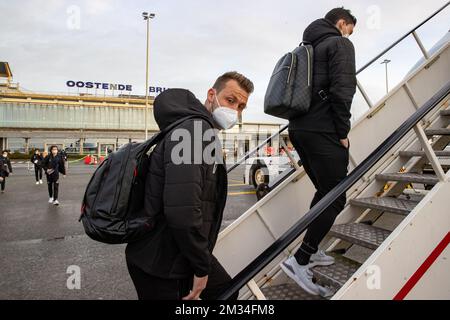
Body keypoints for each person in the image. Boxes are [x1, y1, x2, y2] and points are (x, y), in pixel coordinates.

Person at [125, 72, 254, 300]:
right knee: (226, 293)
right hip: (161, 261)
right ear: (211, 95)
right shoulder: (194, 132)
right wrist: (201, 267)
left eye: (241, 106)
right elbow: (183, 210)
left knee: (226, 291)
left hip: (170, 252)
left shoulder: (197, 130)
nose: (235, 111)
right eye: (230, 100)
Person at [281, 7, 357, 296]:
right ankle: (300, 260)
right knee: (336, 196)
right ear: (341, 23)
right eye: (350, 28)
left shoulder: (308, 47)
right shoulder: (340, 43)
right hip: (324, 130)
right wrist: (342, 132)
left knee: (324, 190)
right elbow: (343, 90)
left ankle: (310, 253)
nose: (349, 34)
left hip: (299, 129)